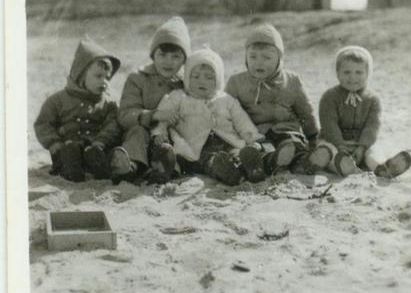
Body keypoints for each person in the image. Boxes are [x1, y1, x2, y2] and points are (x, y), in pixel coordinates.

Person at [151, 47, 266, 186]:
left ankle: (252, 169)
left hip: (227, 142)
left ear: (217, 80)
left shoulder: (226, 99)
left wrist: (253, 138)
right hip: (196, 149)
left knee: (237, 153)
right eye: (196, 76)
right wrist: (159, 133)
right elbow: (163, 118)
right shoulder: (179, 97)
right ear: (187, 78)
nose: (202, 81)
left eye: (209, 77)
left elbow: (241, 121)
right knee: (211, 161)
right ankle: (230, 173)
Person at [225, 23, 320, 174]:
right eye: (253, 57)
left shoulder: (291, 80)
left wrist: (313, 136)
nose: (259, 62)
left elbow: (305, 111)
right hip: (255, 135)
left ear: (279, 59)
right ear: (246, 58)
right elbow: (226, 114)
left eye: (267, 57)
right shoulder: (236, 82)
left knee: (292, 144)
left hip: (286, 130)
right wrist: (232, 142)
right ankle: (266, 162)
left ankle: (301, 162)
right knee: (258, 149)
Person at [311, 45, 411, 178]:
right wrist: (340, 145)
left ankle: (381, 167)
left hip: (361, 142)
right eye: (347, 72)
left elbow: (373, 126)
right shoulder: (329, 97)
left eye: (359, 72)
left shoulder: (373, 99)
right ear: (337, 73)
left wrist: (362, 147)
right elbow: (329, 124)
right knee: (329, 151)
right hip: (334, 141)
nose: (352, 77)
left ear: (368, 73)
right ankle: (341, 166)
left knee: (373, 151)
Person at [111, 16, 190, 183]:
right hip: (141, 136)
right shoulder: (138, 78)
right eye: (162, 55)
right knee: (137, 132)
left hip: (168, 136)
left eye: (175, 56)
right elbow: (125, 115)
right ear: (153, 55)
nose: (168, 62)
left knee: (174, 140)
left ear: (184, 60)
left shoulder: (186, 83)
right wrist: (153, 115)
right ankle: (130, 166)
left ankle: (165, 168)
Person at [34, 37, 121, 182]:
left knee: (98, 154)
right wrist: (54, 143)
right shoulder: (58, 100)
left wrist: (101, 141)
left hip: (95, 147)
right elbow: (43, 123)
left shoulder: (108, 103)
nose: (104, 82)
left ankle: (98, 168)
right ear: (81, 75)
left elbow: (113, 124)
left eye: (107, 78)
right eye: (98, 76)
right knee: (69, 152)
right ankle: (70, 171)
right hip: (65, 148)